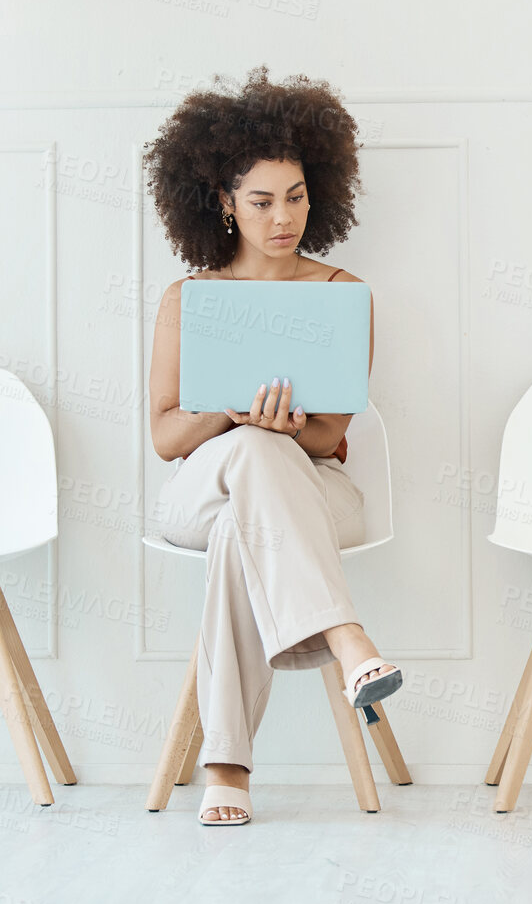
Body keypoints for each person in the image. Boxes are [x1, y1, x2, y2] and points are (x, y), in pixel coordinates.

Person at [144, 67, 401, 825]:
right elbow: (164, 437)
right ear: (224, 202)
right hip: (202, 484)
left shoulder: (339, 292)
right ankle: (346, 638)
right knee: (246, 461)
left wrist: (287, 429)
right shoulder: (187, 298)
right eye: (260, 200)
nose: (282, 216)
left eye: (295, 196)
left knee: (249, 507)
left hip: (310, 486)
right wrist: (226, 414)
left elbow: (331, 434)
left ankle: (226, 763)